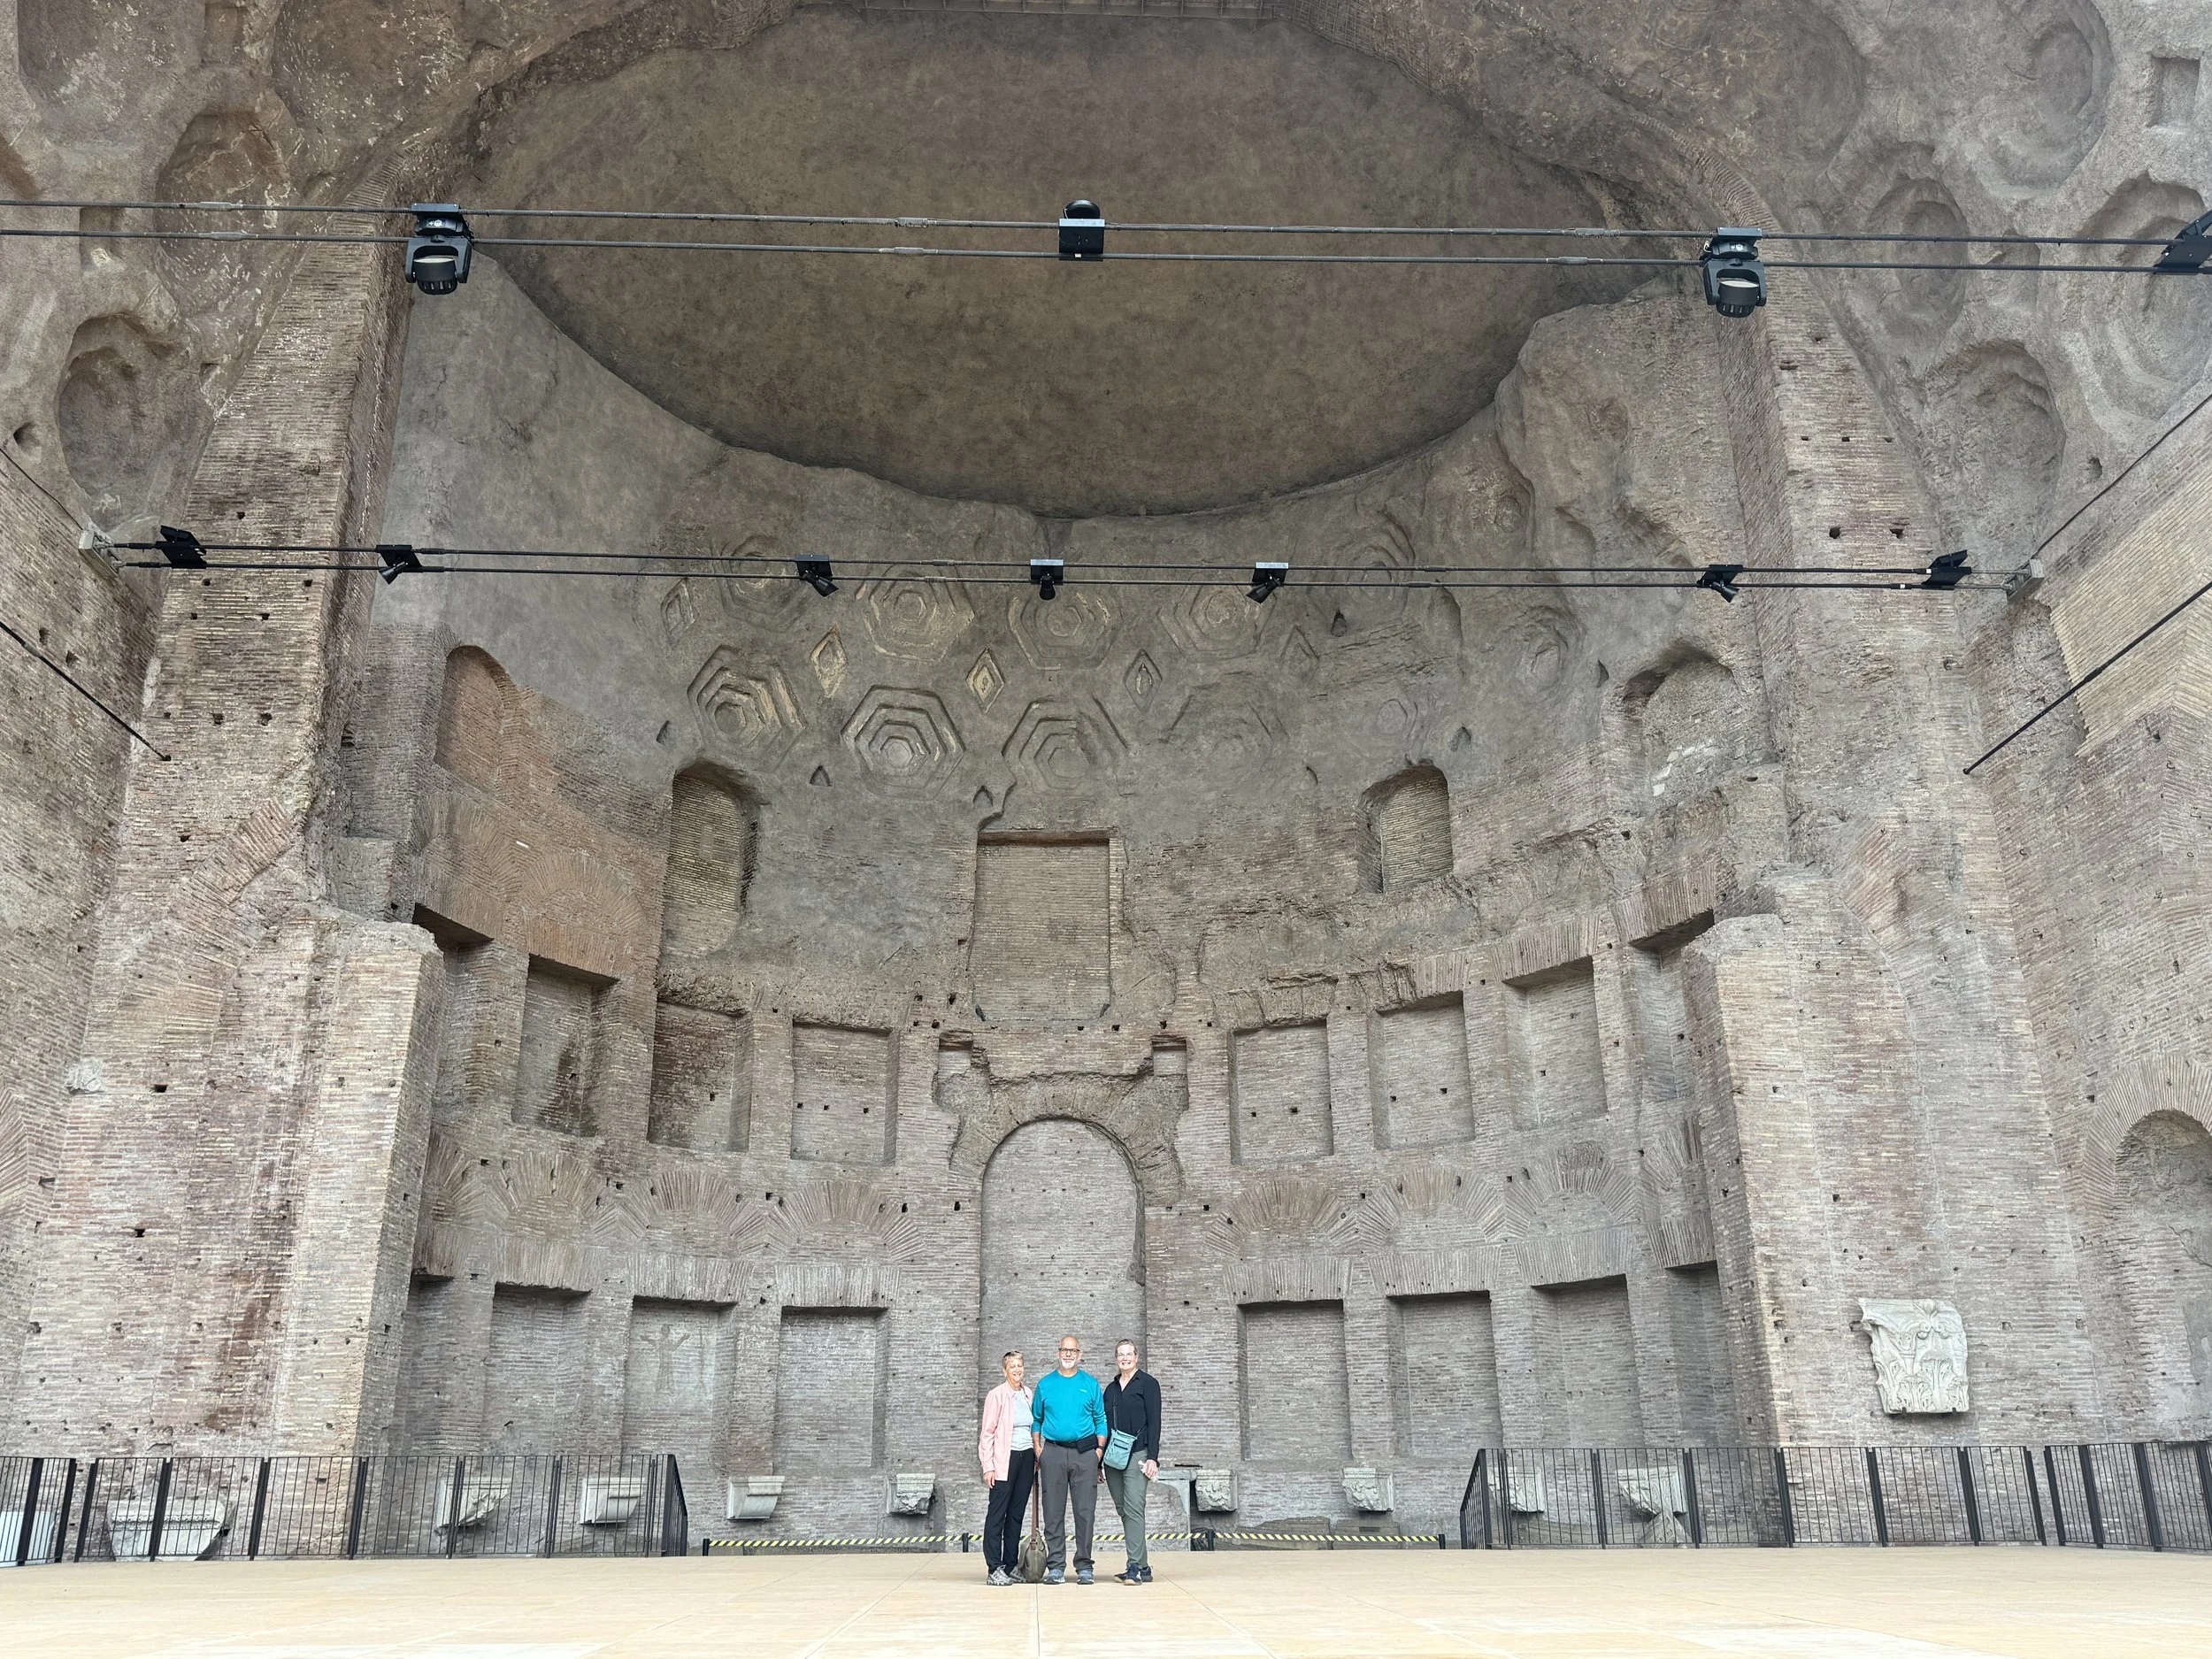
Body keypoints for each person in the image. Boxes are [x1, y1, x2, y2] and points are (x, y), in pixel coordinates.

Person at [1031, 1333, 1107, 1585]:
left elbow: (1101, 1420)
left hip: (1085, 1453)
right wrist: (1038, 1448)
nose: (1068, 1354)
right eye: (1064, 1350)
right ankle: (1056, 1566)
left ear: (1080, 1355)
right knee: (1053, 1512)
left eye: (1072, 1351)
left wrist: (1098, 1452)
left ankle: (1084, 1566)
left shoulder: (1090, 1384)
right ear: (1058, 1353)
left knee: (1085, 1512)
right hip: (1052, 1452)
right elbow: (1037, 1420)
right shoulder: (1045, 1384)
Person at [1101, 1338, 1162, 1584]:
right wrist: (1098, 1462)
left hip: (1138, 1453)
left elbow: (1155, 1422)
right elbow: (1103, 1425)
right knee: (1124, 1509)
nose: (1125, 1358)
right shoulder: (1111, 1389)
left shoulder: (1148, 1384)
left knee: (1135, 1507)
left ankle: (1134, 1567)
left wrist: (1153, 1458)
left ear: (1137, 1357)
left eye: (1129, 1354)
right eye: (1120, 1355)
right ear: (1116, 1359)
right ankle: (1144, 1567)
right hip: (1113, 1456)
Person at [977, 1350, 1036, 1586]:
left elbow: (1033, 1427)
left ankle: (1011, 1565)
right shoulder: (997, 1395)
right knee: (997, 1515)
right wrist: (987, 1466)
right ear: (1005, 1370)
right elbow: (987, 1432)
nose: (1017, 1370)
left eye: (1020, 1365)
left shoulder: (1028, 1393)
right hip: (1004, 1460)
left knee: (1016, 1514)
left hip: (1026, 1458)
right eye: (1012, 1366)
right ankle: (994, 1568)